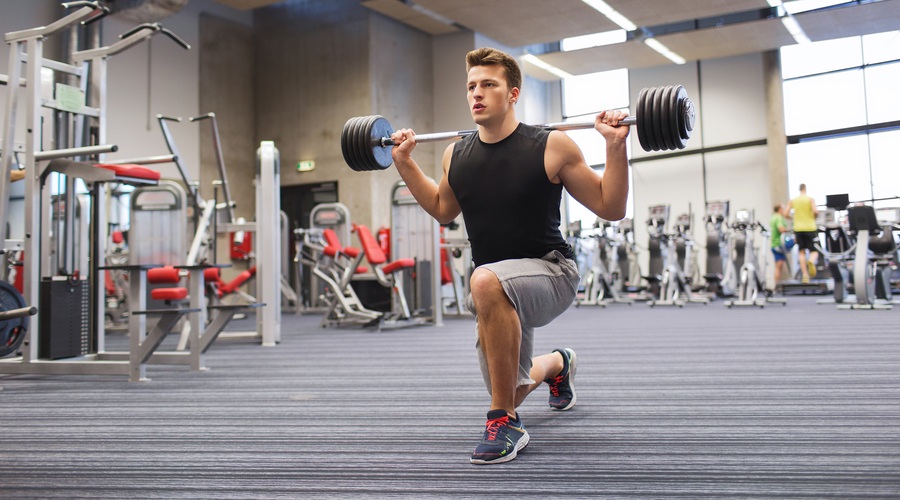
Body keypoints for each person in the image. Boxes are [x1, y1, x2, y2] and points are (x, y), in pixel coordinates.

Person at [388, 47, 629, 465]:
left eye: (488, 85)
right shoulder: (455, 155)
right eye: (471, 86)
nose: (476, 94)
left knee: (484, 281)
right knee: (510, 383)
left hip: (551, 272)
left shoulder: (551, 145)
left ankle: (504, 422)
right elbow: (443, 210)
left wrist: (614, 147)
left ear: (513, 93)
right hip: (497, 288)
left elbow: (611, 207)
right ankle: (558, 364)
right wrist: (404, 162)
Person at [786, 183, 819, 283]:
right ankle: (811, 261)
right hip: (810, 227)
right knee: (814, 250)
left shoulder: (793, 201)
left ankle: (805, 275)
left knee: (801, 252)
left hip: (798, 228)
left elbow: (785, 213)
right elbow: (815, 212)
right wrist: (813, 217)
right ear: (805, 189)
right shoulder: (810, 199)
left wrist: (793, 218)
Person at [770, 203, 788, 284]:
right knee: (798, 240)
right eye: (783, 209)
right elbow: (781, 229)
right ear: (780, 209)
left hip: (774, 244)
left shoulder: (773, 217)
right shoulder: (778, 217)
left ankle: (776, 285)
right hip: (779, 244)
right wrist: (789, 230)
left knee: (778, 266)